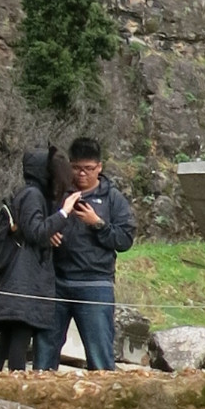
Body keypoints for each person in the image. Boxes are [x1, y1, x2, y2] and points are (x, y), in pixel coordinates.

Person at [46, 135, 135, 372]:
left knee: (100, 355)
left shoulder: (113, 199)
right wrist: (49, 232)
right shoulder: (58, 192)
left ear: (99, 168)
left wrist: (98, 223)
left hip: (95, 283)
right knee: (45, 351)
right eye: (76, 168)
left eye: (88, 169)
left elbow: (125, 239)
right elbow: (37, 224)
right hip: (56, 282)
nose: (82, 174)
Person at [0, 148, 61, 372]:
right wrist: (64, 214)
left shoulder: (24, 194)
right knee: (20, 334)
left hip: (16, 276)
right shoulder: (33, 195)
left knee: (8, 335)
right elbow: (36, 231)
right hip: (24, 279)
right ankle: (16, 382)